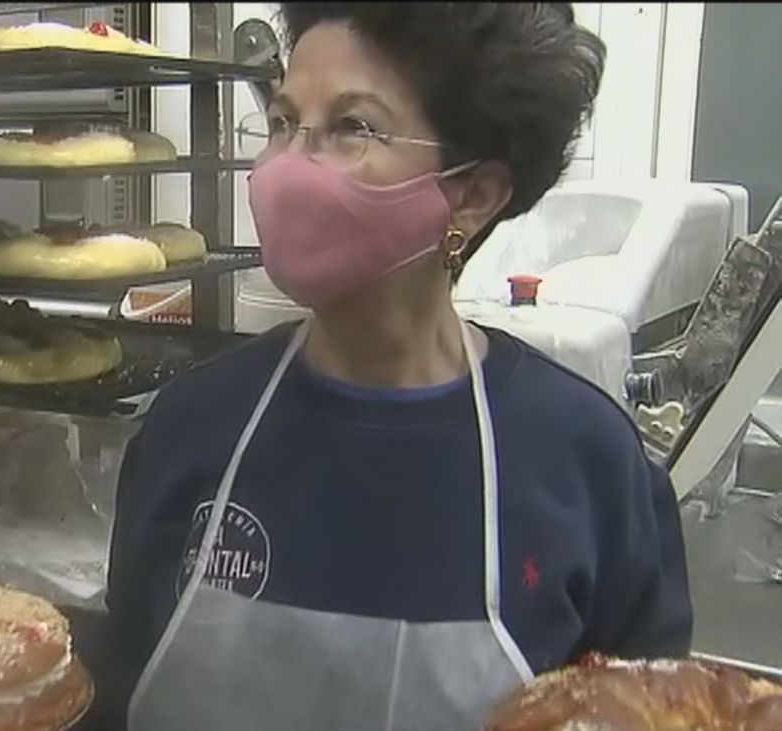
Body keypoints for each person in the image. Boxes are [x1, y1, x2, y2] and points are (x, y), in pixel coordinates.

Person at [103, 4, 693, 730]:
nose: (288, 167)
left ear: (473, 195)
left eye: (352, 127)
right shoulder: (190, 428)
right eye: (285, 122)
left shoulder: (587, 465)